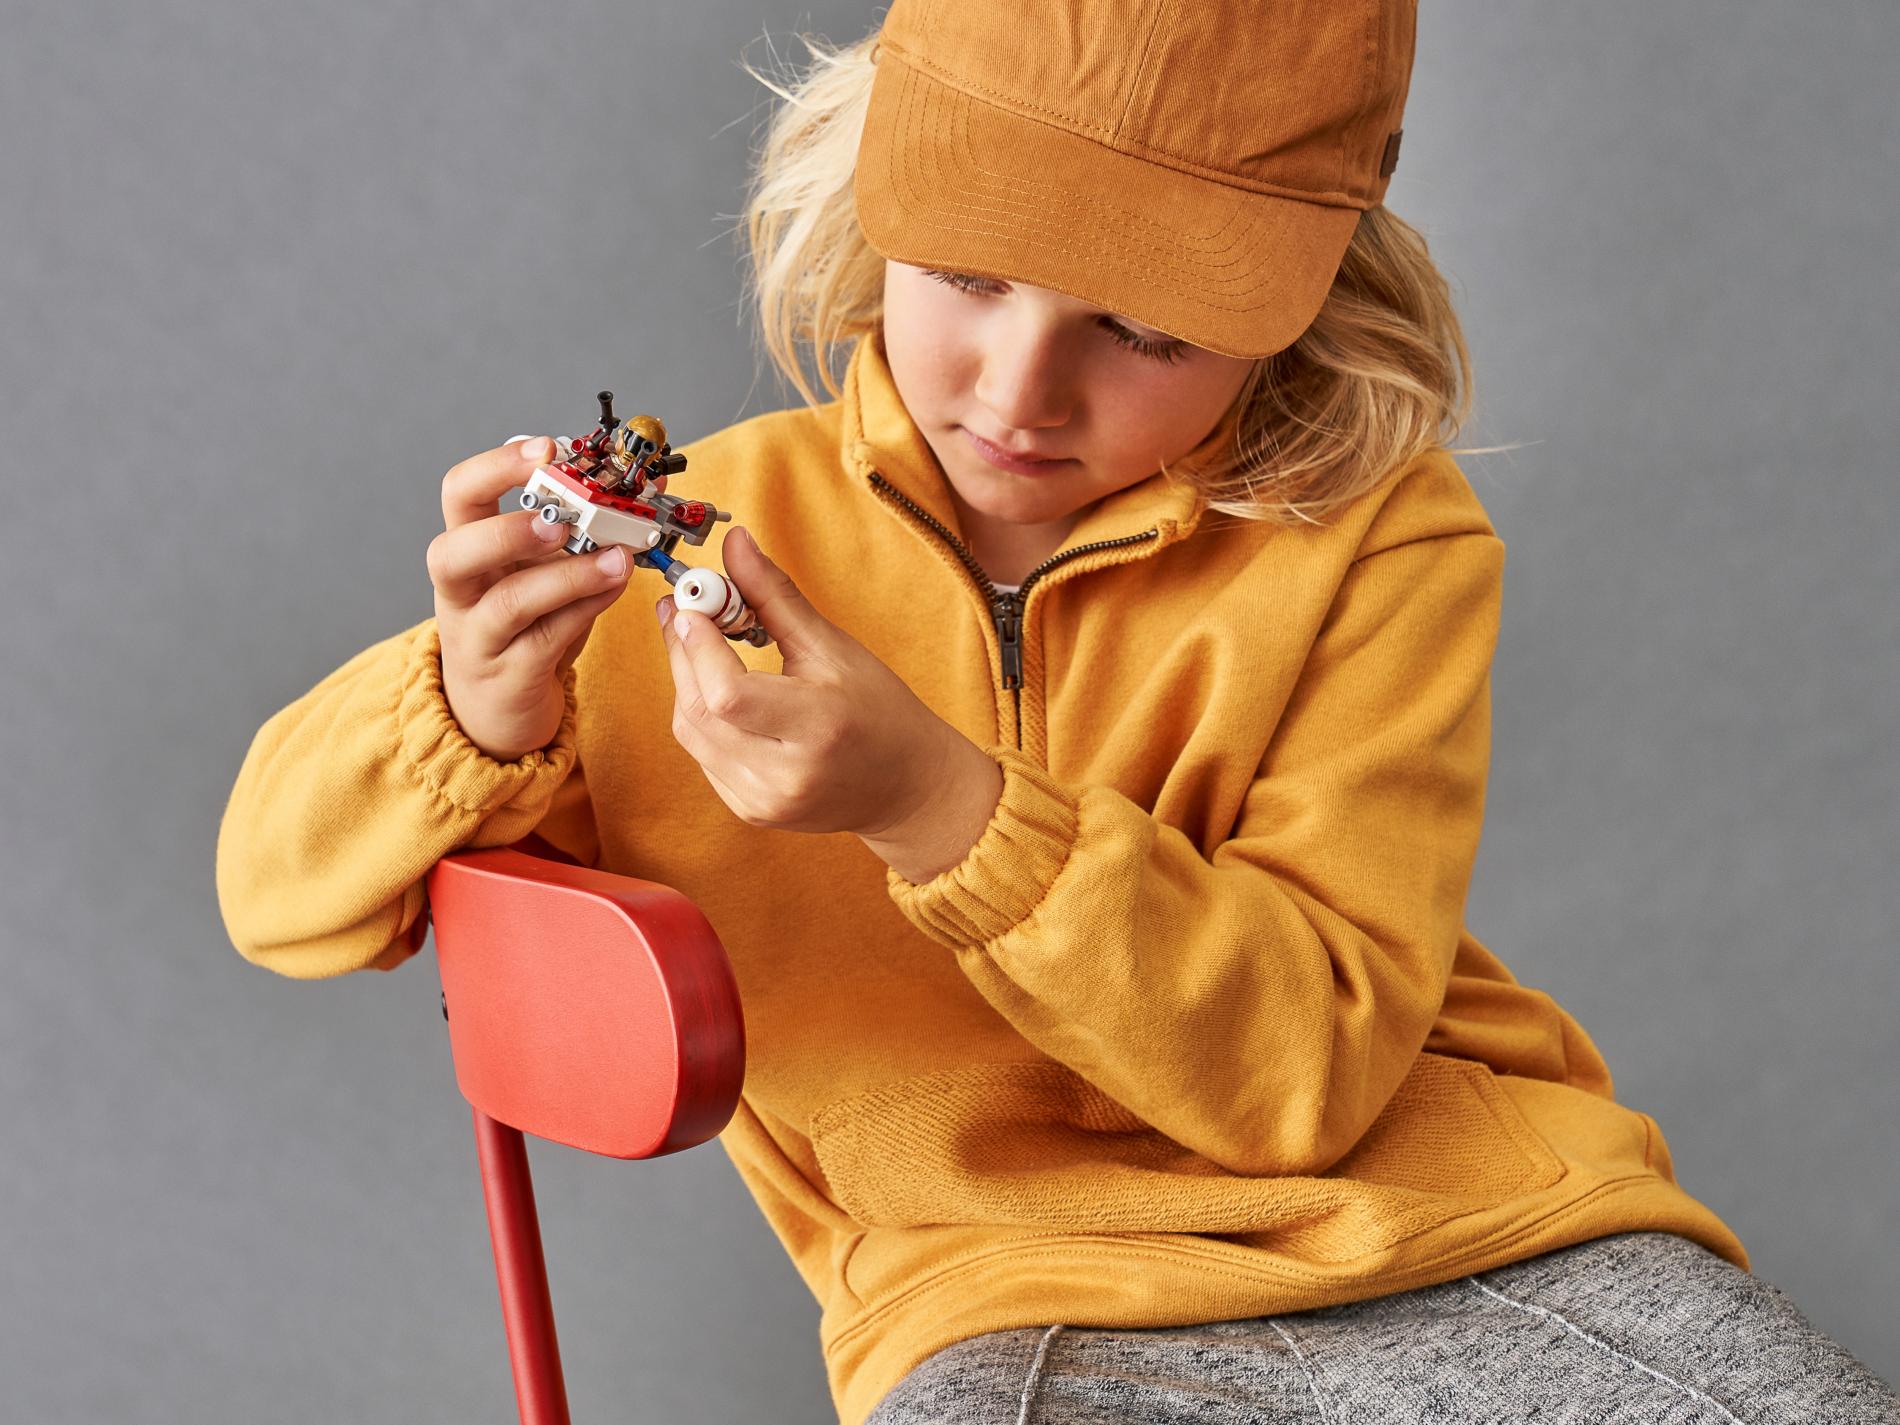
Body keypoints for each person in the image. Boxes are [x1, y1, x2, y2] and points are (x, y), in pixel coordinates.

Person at [215, 1, 1900, 1421]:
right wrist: (465, 706)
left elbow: (1299, 1082)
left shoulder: (1381, 539)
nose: (1020, 391)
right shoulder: (699, 549)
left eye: (1146, 329)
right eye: (965, 272)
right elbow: (279, 900)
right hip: (994, 1297)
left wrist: (938, 805)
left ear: (1307, 299)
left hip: (1472, 1228)